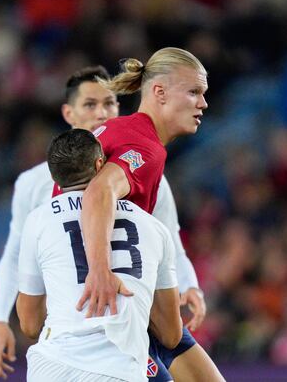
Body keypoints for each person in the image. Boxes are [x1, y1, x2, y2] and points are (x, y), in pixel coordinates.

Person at [0, 65, 207, 380]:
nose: (102, 112)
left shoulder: (140, 166)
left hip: (135, 309)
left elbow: (171, 240)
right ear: (69, 114)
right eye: (90, 105)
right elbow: (13, 255)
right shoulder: (34, 182)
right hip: (95, 319)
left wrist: (190, 286)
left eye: (109, 103)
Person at [79, 48, 224, 381]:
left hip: (118, 302)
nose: (203, 104)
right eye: (194, 92)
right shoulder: (145, 148)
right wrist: (100, 270)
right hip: (108, 311)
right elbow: (99, 192)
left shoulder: (116, 132)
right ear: (159, 92)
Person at [17, 128, 182, 382]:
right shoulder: (154, 228)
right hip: (119, 369)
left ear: (53, 177)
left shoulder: (38, 221)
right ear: (100, 164)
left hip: (52, 367)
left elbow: (29, 324)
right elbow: (171, 334)